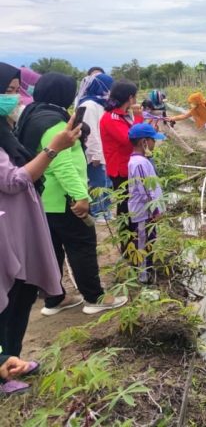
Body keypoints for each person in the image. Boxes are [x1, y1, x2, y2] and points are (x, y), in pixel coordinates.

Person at [16, 73, 128, 316]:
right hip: (63, 198)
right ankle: (94, 297)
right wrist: (80, 196)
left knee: (52, 250)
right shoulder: (55, 124)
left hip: (42, 200)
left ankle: (54, 299)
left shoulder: (31, 114)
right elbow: (62, 164)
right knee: (82, 246)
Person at [0, 67, 81, 371]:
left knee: (21, 294)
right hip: (7, 230)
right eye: (7, 90)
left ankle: (12, 360)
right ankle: (4, 368)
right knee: (7, 299)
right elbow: (13, 181)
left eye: (15, 89)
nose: (13, 97)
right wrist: (53, 149)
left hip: (20, 225)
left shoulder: (8, 127)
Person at [99, 80, 143, 256]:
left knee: (132, 208)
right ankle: (128, 249)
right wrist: (139, 118)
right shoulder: (112, 117)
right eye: (135, 96)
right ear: (130, 97)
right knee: (126, 210)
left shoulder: (121, 115)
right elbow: (129, 139)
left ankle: (134, 244)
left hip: (128, 168)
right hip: (121, 170)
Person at [127, 123, 166, 284]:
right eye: (152, 140)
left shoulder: (142, 160)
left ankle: (147, 271)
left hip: (148, 212)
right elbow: (145, 188)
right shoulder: (139, 163)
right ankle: (144, 277)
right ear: (144, 142)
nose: (154, 143)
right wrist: (155, 211)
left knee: (150, 241)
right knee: (143, 243)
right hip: (144, 213)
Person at [78, 72, 114, 221]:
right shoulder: (89, 105)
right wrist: (96, 155)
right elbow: (90, 132)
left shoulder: (100, 104)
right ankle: (96, 211)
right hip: (94, 153)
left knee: (105, 183)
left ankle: (105, 210)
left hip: (103, 151)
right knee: (96, 182)